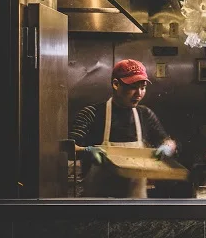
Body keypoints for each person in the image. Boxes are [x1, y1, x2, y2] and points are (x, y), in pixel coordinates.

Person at [70, 59, 177, 198]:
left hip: (135, 202)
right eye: (133, 87)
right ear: (116, 84)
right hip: (98, 202)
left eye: (143, 87)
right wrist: (87, 151)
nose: (138, 93)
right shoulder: (92, 113)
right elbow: (69, 148)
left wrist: (166, 148)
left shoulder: (144, 114)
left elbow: (167, 141)